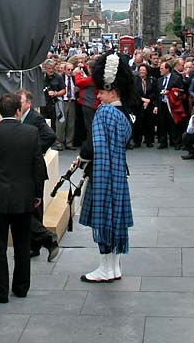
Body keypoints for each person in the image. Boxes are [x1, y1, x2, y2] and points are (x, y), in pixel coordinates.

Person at [0, 92, 42, 303]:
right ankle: (21, 287)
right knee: (22, 244)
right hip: (23, 195)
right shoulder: (30, 132)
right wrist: (37, 193)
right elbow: (37, 165)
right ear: (18, 111)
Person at [79, 53, 134, 283]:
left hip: (103, 173)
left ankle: (104, 269)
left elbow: (92, 148)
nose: (98, 96)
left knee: (103, 219)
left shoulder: (105, 112)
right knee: (115, 219)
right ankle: (114, 268)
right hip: (119, 173)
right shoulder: (125, 114)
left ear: (112, 90)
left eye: (101, 91)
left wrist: (82, 153)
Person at [16, 88, 61, 260]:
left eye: (20, 102)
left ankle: (38, 242)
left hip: (34, 170)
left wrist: (35, 150)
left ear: (28, 103)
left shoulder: (35, 118)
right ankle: (33, 245)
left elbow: (50, 135)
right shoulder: (17, 118)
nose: (17, 105)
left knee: (35, 207)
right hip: (23, 169)